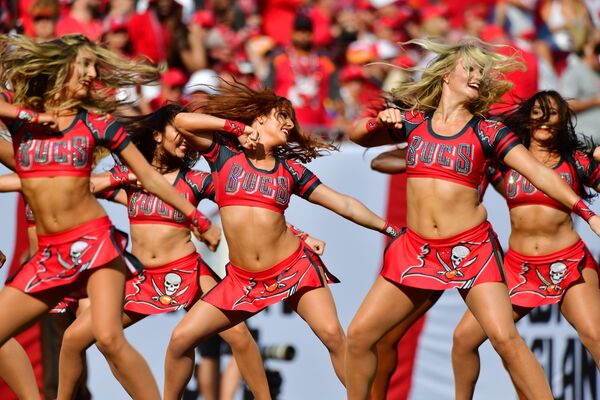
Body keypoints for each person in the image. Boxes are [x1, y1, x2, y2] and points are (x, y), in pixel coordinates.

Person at [346, 38, 600, 400]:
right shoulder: (414, 123)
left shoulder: (489, 132)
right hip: (417, 250)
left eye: (482, 70)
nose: (478, 75)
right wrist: (376, 122)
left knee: (504, 338)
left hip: (471, 249)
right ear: (446, 75)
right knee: (359, 337)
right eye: (470, 68)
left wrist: (585, 212)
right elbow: (361, 142)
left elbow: (540, 175)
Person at [0, 33, 209, 399]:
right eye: (86, 65)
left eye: (96, 66)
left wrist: (196, 217)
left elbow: (147, 177)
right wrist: (20, 113)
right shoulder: (24, 126)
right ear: (61, 69)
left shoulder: (98, 125)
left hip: (96, 244)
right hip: (49, 255)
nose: (93, 73)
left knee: (109, 338)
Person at [162, 80, 397, 400]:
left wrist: (390, 229)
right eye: (281, 115)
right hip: (241, 280)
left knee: (332, 336)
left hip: (293, 268)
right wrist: (233, 127)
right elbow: (180, 121)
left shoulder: (290, 171)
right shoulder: (222, 155)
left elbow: (342, 203)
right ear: (258, 120)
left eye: (291, 119)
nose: (289, 123)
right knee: (180, 340)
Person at [54, 103, 272, 400]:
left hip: (186, 269)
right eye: (178, 132)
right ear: (156, 135)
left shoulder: (195, 180)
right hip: (140, 276)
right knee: (74, 339)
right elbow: (86, 186)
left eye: (188, 134)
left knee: (239, 335)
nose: (185, 139)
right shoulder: (131, 176)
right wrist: (128, 178)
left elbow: (248, 202)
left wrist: (297, 234)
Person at [452, 90, 600, 399]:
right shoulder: (506, 159)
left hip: (568, 262)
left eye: (552, 113)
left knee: (595, 336)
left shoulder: (576, 161)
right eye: (538, 113)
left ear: (563, 121)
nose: (545, 120)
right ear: (527, 118)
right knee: (464, 338)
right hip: (518, 268)